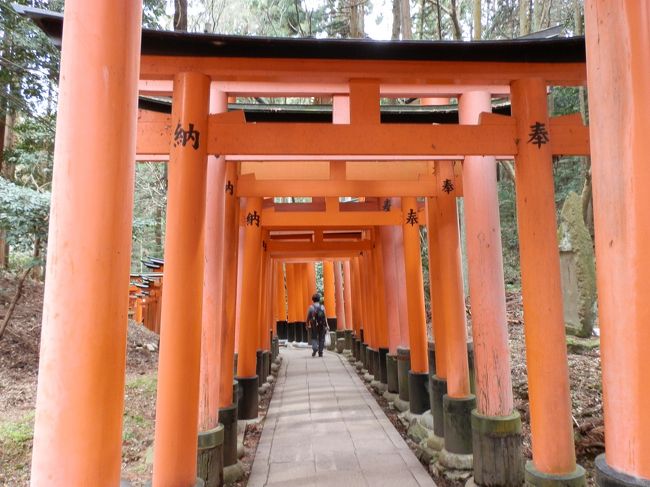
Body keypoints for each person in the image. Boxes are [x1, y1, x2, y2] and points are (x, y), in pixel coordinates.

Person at [306, 292, 329, 357]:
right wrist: (327, 325)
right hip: (321, 324)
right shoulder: (322, 307)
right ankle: (320, 352)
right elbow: (325, 317)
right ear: (319, 299)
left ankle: (315, 348)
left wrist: (307, 325)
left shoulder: (311, 307)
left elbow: (308, 317)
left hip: (314, 324)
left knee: (314, 337)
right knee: (322, 338)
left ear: (312, 300)